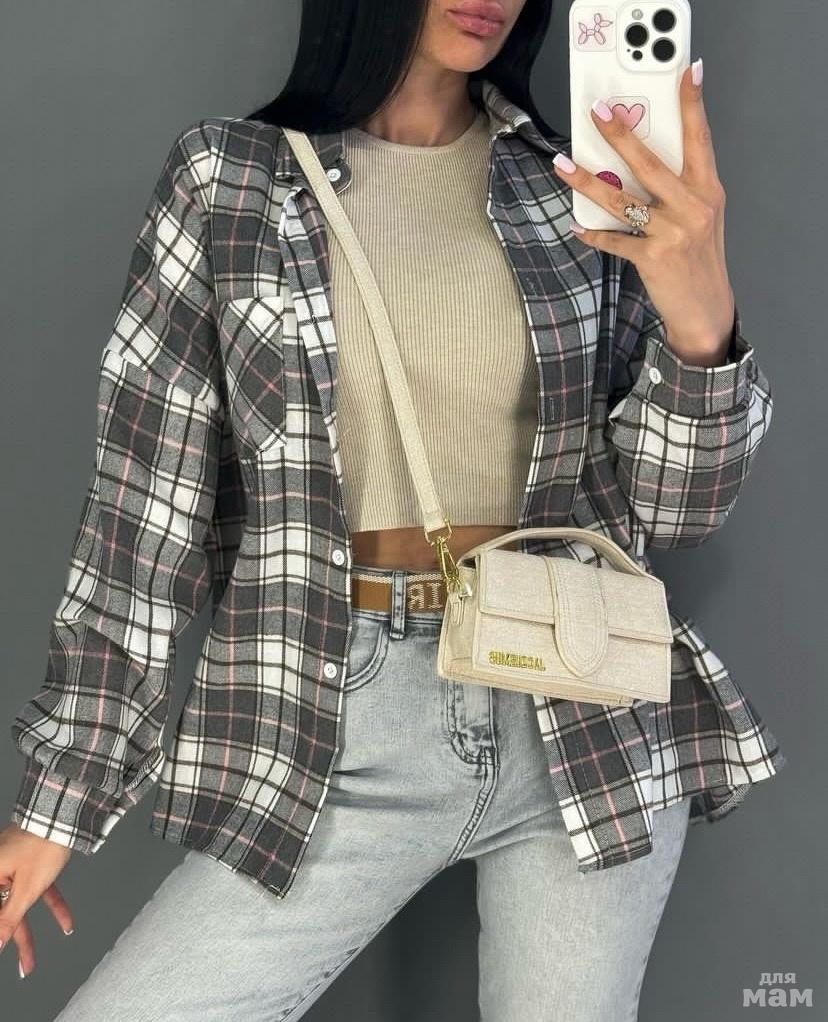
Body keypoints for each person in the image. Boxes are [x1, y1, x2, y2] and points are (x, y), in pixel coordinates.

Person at [0, 0, 786, 1018]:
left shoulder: (576, 189)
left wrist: (701, 314)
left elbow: (674, 509)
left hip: (583, 716)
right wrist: (61, 798)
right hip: (334, 716)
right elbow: (143, 516)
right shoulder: (230, 180)